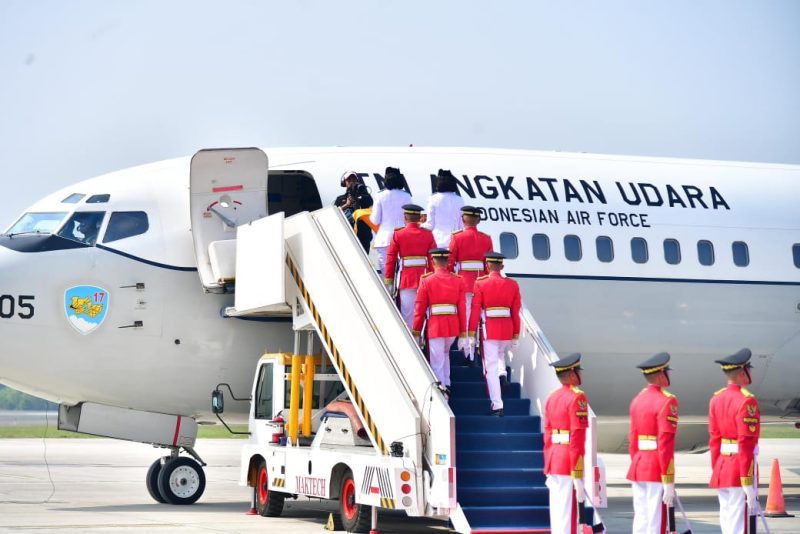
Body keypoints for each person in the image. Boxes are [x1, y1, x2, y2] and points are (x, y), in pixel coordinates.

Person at [709, 348, 760, 534]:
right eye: (749, 369)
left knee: (727, 517)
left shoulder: (716, 399)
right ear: (742, 372)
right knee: (739, 522)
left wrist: (716, 469)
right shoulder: (747, 401)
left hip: (722, 466)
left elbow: (714, 439)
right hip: (740, 467)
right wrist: (747, 482)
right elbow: (745, 443)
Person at [627, 352, 679, 534]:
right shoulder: (667, 401)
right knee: (656, 521)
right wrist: (669, 480)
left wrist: (636, 462)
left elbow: (632, 439)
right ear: (660, 375)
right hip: (657, 466)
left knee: (641, 516)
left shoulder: (637, 400)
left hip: (638, 464)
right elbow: (665, 444)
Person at [468, 252, 520, 416]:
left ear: (487, 266)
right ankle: (502, 374)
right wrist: (516, 335)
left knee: (489, 368)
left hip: (490, 329)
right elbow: (515, 311)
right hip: (507, 329)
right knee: (499, 354)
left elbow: (476, 309)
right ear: (502, 267)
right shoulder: (512, 284)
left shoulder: (480, 283)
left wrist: (470, 332)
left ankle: (497, 405)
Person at [543, 353, 589, 534]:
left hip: (554, 457)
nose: (581, 375)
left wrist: (548, 463)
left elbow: (547, 432)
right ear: (572, 375)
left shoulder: (552, 396)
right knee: (568, 513)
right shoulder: (577, 397)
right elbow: (577, 436)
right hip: (568, 460)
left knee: (558, 511)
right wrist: (577, 473)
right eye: (579, 371)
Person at [411, 248, 467, 396]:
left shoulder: (426, 280)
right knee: (445, 354)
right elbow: (462, 308)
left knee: (437, 360)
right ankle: (447, 383)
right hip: (453, 326)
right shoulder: (458, 280)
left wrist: (416, 330)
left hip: (435, 326)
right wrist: (463, 332)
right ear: (448, 262)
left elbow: (420, 308)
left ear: (433, 261)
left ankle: (441, 390)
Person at [449, 206, 494, 365]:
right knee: (478, 319)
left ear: (463, 219)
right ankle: (475, 352)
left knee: (467, 318)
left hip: (465, 283)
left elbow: (450, 262)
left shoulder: (457, 237)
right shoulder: (486, 238)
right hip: (481, 282)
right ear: (478, 220)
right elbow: (490, 264)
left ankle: (468, 352)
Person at [383, 204, 437, 328]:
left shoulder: (398, 234)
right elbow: (433, 259)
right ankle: (421, 342)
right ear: (419, 217)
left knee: (407, 313)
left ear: (405, 217)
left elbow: (391, 259)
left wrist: (389, 280)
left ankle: (411, 342)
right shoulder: (428, 234)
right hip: (425, 277)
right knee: (424, 312)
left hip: (406, 279)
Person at [370, 167, 412, 274]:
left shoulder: (380, 196)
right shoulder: (407, 196)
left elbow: (375, 220)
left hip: (384, 238)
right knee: (402, 271)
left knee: (386, 272)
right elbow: (410, 219)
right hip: (403, 238)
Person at [333, 171, 373, 253]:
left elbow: (370, 204)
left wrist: (361, 194)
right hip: (348, 235)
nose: (351, 182)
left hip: (363, 234)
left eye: (353, 179)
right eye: (349, 180)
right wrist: (347, 204)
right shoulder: (340, 199)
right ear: (344, 182)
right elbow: (334, 214)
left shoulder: (364, 196)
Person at [423, 169, 464, 247]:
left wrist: (418, 226)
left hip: (437, 242)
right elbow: (461, 226)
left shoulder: (432, 199)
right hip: (455, 242)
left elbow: (429, 225)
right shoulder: (460, 200)